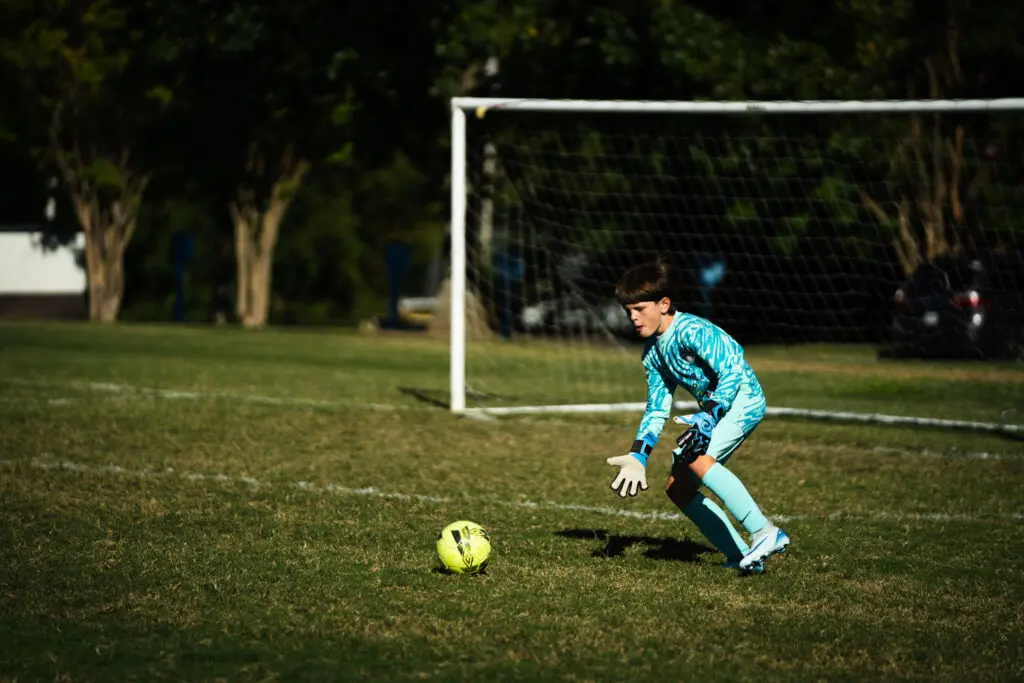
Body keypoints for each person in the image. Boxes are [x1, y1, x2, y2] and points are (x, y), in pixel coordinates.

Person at [606, 257, 790, 572]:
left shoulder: (693, 330)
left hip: (743, 400)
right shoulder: (652, 352)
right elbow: (657, 406)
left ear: (664, 304)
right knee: (677, 489)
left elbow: (732, 369)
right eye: (628, 311)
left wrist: (709, 415)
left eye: (640, 309)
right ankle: (742, 557)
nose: (633, 317)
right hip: (715, 411)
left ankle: (765, 532)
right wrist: (639, 454)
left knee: (695, 456)